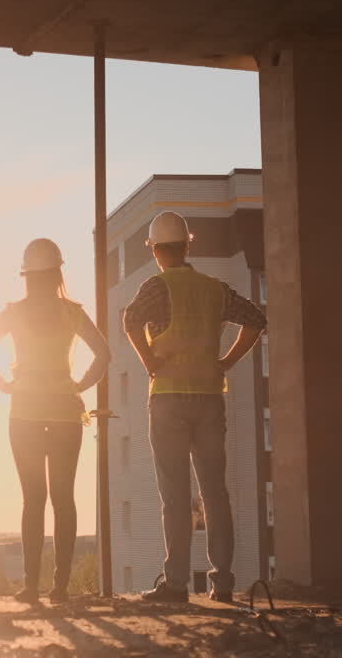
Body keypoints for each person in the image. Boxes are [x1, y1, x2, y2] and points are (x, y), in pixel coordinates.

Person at [122, 211, 267, 603]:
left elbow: (130, 320)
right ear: (188, 245)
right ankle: (222, 583)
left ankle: (175, 584)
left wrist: (150, 363)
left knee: (175, 494)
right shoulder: (214, 289)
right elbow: (256, 319)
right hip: (208, 398)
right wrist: (228, 361)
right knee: (215, 492)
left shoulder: (157, 286)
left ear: (155, 251)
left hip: (168, 397)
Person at [0, 238, 110, 603]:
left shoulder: (14, 313)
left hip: (25, 414)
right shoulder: (72, 312)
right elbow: (103, 354)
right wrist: (79, 385)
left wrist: (3, 384)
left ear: (26, 275)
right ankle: (61, 588)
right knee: (63, 499)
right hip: (66, 413)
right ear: (56, 273)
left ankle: (31, 587)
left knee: (32, 499)